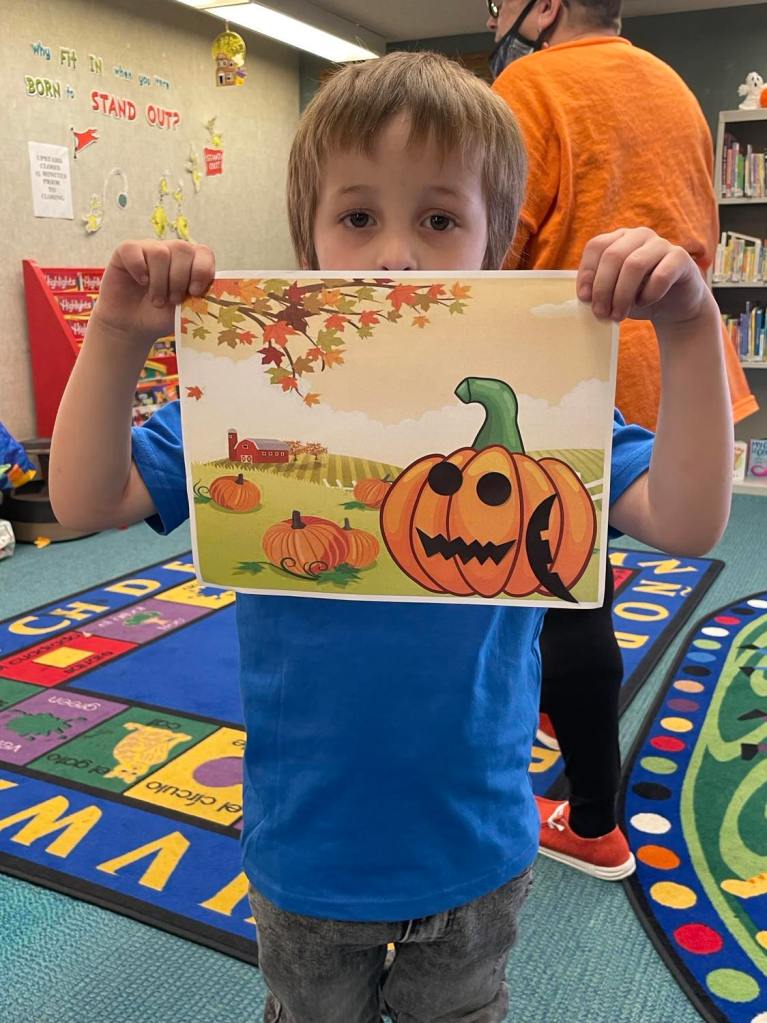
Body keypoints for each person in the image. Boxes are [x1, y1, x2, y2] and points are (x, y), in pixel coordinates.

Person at [49, 50, 733, 1023]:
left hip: (473, 843)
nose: (397, 255)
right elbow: (84, 501)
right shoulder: (251, 384)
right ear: (309, 236)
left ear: (494, 242)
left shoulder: (547, 393)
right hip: (307, 843)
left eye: (440, 219)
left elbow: (687, 519)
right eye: (358, 216)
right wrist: (119, 334)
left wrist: (688, 327)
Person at [486, 0, 757, 881]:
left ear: (546, 4)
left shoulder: (527, 85)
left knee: (564, 582)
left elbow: (490, 256)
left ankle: (595, 819)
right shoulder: (670, 85)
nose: (494, 14)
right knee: (577, 573)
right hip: (672, 370)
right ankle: (552, 713)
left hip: (572, 376)